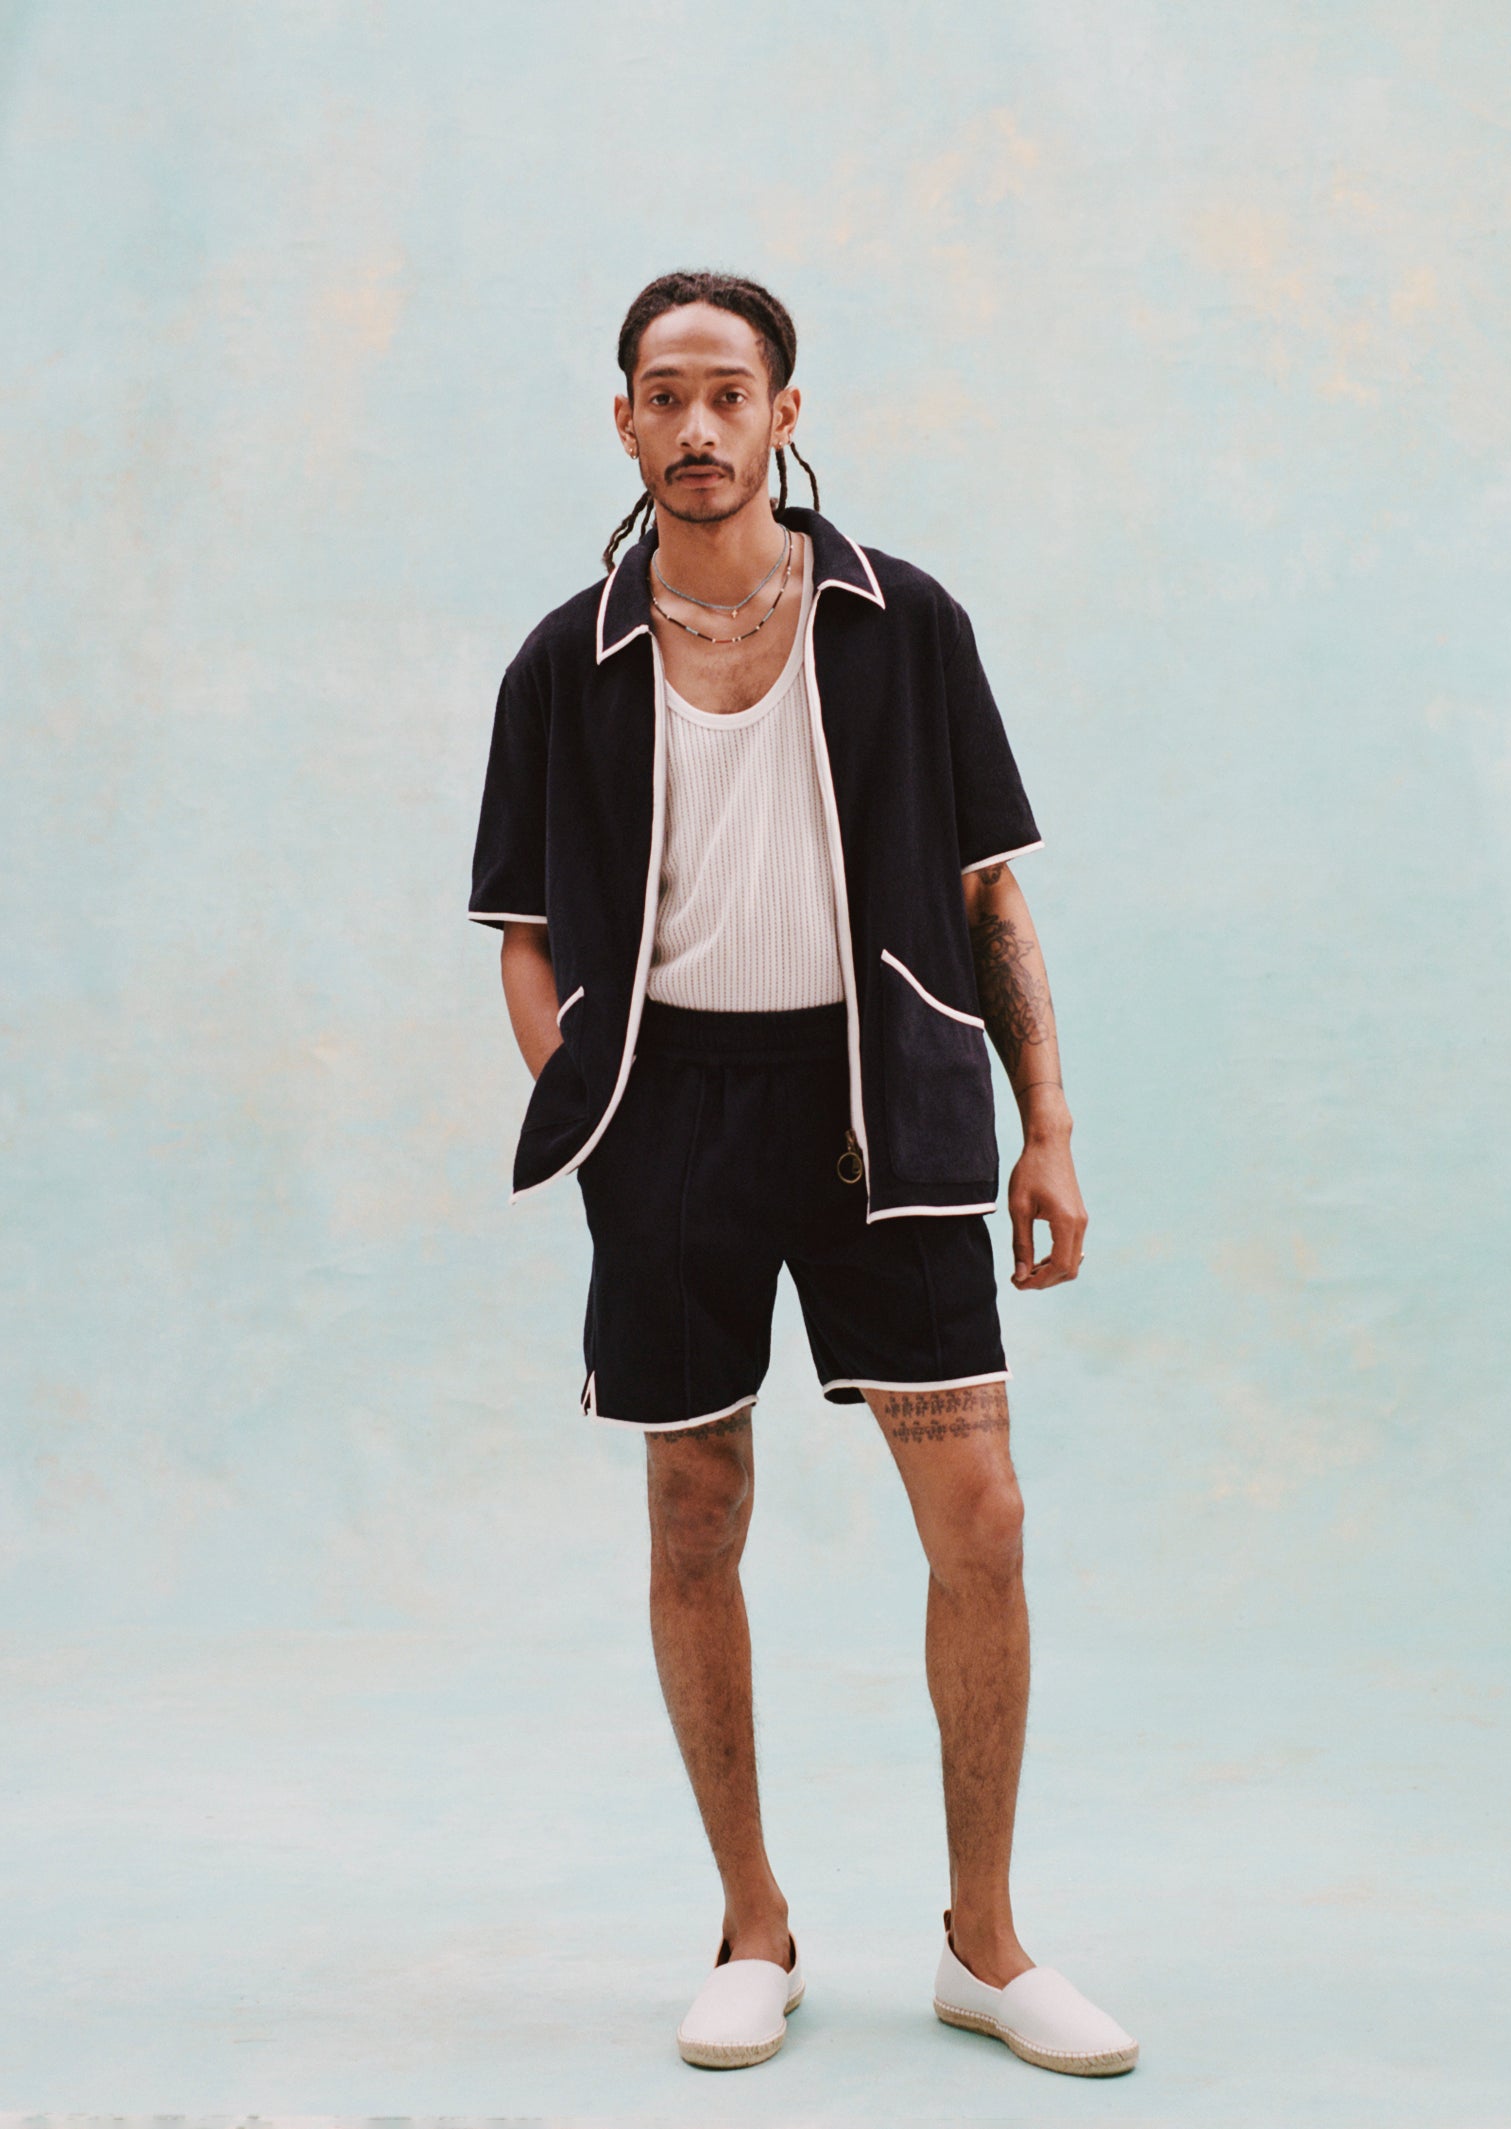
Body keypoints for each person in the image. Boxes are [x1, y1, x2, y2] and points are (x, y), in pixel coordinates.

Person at [467, 269, 1138, 2079]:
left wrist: (1047, 1123)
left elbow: (994, 896)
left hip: (888, 1101)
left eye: (728, 392)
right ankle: (751, 1923)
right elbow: (521, 932)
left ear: (782, 412)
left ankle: (983, 1944)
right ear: (623, 422)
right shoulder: (566, 657)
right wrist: (593, 1099)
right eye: (661, 394)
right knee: (697, 1514)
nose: (695, 426)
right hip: (669, 1115)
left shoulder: (901, 623)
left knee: (980, 1514)